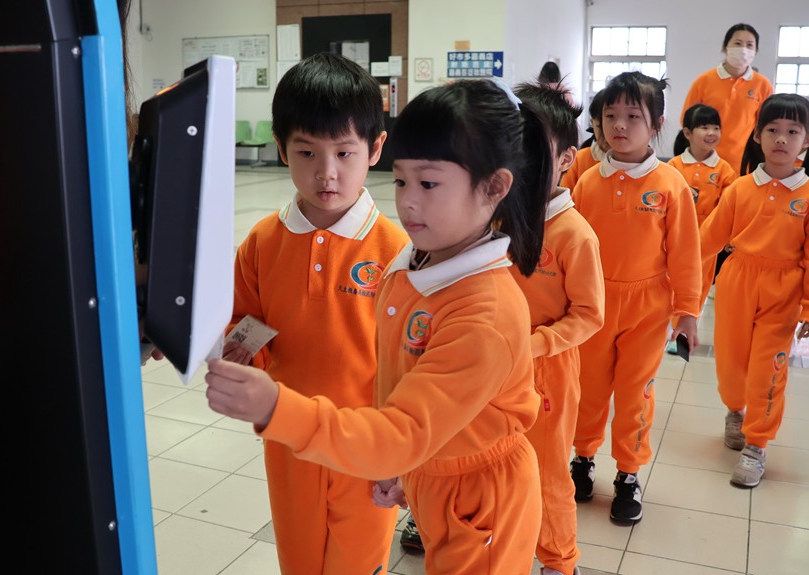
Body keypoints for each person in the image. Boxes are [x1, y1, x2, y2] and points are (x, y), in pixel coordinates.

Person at [205, 77, 554, 574]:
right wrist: (410, 466)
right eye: (402, 182)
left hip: (460, 486)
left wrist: (274, 406)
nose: (407, 201)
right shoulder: (413, 267)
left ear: (495, 187)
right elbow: (406, 394)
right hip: (376, 451)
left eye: (427, 184)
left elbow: (404, 426)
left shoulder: (482, 310)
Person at [220, 53, 409, 574]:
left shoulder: (397, 250)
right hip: (288, 437)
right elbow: (246, 325)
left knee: (359, 563)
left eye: (345, 153)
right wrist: (241, 358)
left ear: (375, 149)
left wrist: (404, 452)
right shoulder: (262, 243)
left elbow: (412, 361)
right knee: (299, 558)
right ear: (281, 148)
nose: (327, 172)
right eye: (306, 152)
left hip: (367, 443)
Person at [569, 72, 702, 524]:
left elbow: (685, 253)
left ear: (657, 124)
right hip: (593, 303)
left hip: (648, 308)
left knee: (635, 392)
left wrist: (687, 311)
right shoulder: (587, 182)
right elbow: (571, 246)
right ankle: (583, 458)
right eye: (610, 116)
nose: (619, 126)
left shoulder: (670, 185)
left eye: (632, 117)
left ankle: (628, 472)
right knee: (588, 388)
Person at [703, 94, 809, 487]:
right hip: (737, 282)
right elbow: (706, 239)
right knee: (730, 365)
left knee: (768, 369)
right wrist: (674, 274)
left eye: (792, 131)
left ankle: (756, 444)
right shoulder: (740, 188)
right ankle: (735, 410)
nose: (781, 138)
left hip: (784, 291)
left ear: (807, 140)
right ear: (757, 135)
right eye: (773, 129)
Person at [512, 83, 604, 575]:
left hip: (546, 371)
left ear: (567, 157)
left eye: (534, 148)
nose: (520, 159)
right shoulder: (496, 219)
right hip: (494, 365)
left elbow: (589, 314)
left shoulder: (574, 234)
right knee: (491, 459)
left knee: (547, 471)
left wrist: (536, 344)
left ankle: (558, 560)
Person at [665, 104, 739, 355]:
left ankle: (682, 341)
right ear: (687, 132)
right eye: (704, 127)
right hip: (675, 240)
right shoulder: (673, 166)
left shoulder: (724, 170)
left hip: (707, 245)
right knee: (671, 288)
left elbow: (730, 209)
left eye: (716, 128)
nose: (711, 133)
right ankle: (670, 332)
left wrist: (728, 237)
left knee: (697, 291)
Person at [682, 23, 773, 174]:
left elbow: (767, 127)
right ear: (725, 47)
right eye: (738, 43)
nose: (743, 49)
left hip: (745, 164)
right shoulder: (704, 81)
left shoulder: (763, 85)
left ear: (755, 51)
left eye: (750, 45)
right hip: (706, 163)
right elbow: (687, 121)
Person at [560, 89, 607, 190]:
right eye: (601, 127)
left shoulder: (636, 162)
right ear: (592, 123)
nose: (607, 134)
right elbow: (567, 196)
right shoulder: (578, 160)